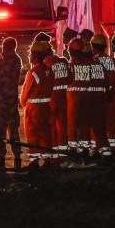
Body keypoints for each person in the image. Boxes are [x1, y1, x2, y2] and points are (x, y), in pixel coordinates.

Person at [66, 37, 107, 156]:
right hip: (96, 103)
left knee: (77, 130)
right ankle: (97, 155)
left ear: (71, 52)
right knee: (95, 130)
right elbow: (104, 82)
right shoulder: (96, 65)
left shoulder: (72, 66)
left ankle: (77, 156)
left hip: (77, 104)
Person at [0, 38, 23, 168]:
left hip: (2, 100)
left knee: (0, 130)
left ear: (5, 47)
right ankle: (17, 157)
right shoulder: (16, 60)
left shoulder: (6, 61)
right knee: (13, 130)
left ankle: (2, 157)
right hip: (11, 100)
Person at [20, 40, 55, 165]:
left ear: (35, 56)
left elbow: (26, 92)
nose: (29, 57)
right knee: (45, 134)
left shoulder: (33, 72)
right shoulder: (49, 70)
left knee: (32, 134)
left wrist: (23, 103)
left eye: (31, 54)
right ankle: (47, 161)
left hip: (34, 108)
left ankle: (34, 163)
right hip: (46, 106)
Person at [49, 29, 74, 162]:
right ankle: (64, 155)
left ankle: (53, 157)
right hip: (65, 99)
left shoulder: (46, 64)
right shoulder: (63, 62)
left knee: (52, 128)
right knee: (63, 127)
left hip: (51, 101)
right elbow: (70, 78)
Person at [91, 33, 115, 151]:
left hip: (97, 97)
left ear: (94, 46)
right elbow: (113, 77)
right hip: (109, 96)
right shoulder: (110, 60)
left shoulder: (93, 60)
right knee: (110, 123)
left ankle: (98, 148)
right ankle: (111, 149)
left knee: (97, 124)